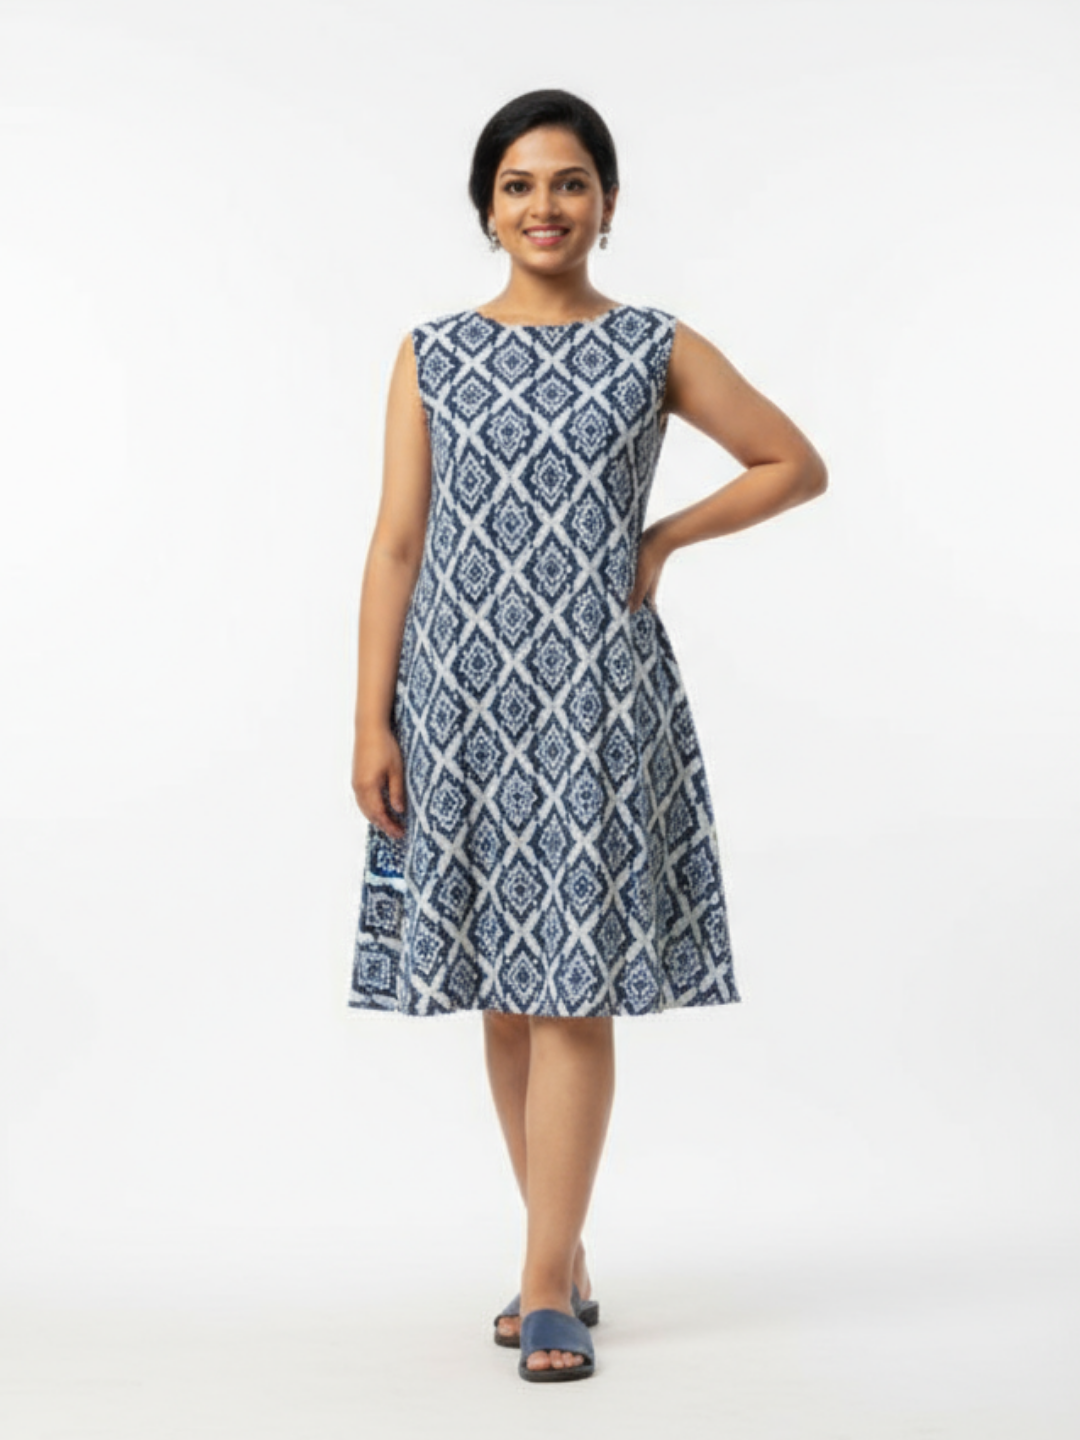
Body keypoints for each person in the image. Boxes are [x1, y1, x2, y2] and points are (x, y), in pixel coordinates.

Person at [348, 88, 828, 1383]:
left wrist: (661, 538)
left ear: (608, 203)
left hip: (594, 698)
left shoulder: (651, 346)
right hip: (457, 699)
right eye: (519, 184)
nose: (545, 206)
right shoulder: (432, 353)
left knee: (573, 987)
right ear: (486, 207)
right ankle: (555, 1250)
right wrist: (371, 718)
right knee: (504, 995)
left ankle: (545, 1280)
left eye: (570, 182)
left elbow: (791, 461)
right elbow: (396, 543)